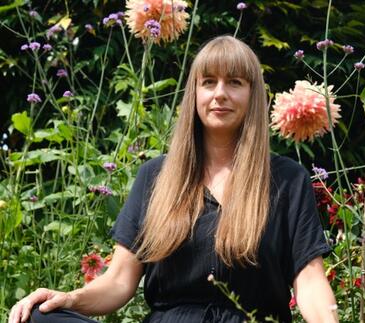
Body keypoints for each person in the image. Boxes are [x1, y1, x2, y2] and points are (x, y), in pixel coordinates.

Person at [9, 35, 337, 323]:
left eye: (235, 82)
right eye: (208, 82)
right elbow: (119, 281)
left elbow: (309, 281)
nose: (220, 93)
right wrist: (69, 299)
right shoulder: (156, 176)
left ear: (252, 95)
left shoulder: (287, 179)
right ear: (194, 93)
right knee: (41, 317)